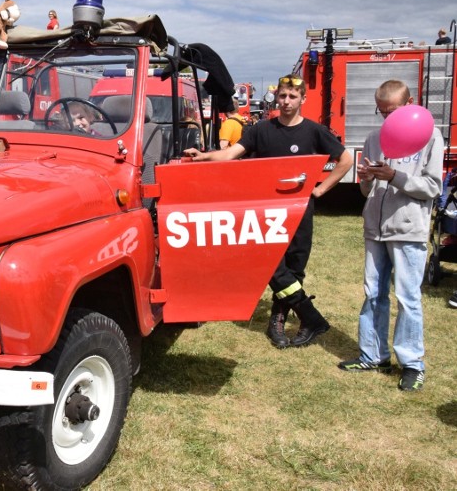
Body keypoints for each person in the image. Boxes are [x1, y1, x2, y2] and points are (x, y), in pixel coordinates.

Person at [184, 74, 352, 348]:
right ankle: (310, 317)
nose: (286, 102)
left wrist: (320, 190)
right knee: (272, 265)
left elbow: (345, 159)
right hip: (266, 211)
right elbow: (229, 155)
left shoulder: (314, 131)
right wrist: (203, 156)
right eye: (282, 96)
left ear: (302, 100)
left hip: (299, 209)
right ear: (276, 97)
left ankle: (278, 318)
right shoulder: (261, 129)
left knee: (295, 267)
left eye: (292, 97)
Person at [339, 80, 442, 391]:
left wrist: (395, 176)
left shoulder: (429, 137)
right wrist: (367, 179)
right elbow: (366, 189)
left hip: (408, 229)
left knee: (407, 298)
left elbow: (433, 187)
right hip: (375, 229)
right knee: (373, 293)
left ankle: (412, 364)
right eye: (381, 113)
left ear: (410, 103)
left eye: (392, 112)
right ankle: (372, 354)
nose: (386, 119)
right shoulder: (374, 138)